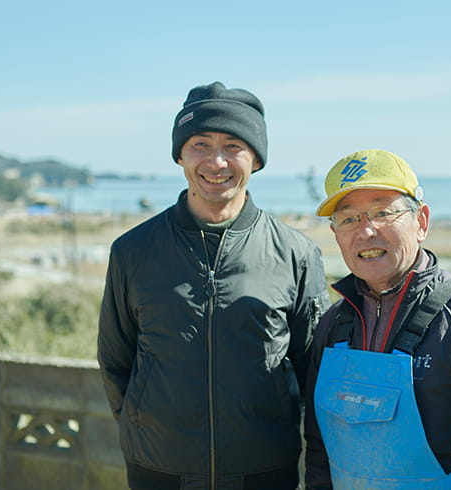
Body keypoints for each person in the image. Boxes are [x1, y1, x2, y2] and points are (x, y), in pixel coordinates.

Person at [98, 81, 331, 490]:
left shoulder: (297, 254)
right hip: (158, 466)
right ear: (181, 156)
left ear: (255, 159)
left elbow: (315, 372)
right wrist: (147, 426)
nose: (216, 161)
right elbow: (116, 360)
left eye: (233, 146)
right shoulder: (132, 251)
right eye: (200, 145)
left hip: (264, 469)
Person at [304, 149, 451, 489]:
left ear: (421, 222)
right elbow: (319, 452)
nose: (366, 230)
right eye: (349, 219)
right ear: (336, 235)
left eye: (382, 212)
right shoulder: (333, 325)